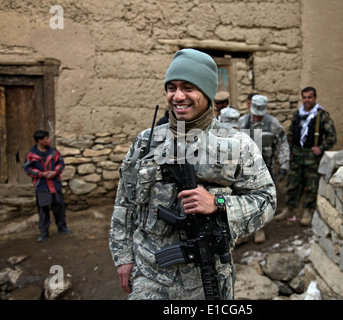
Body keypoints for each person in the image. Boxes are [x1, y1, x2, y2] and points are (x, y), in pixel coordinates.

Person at [109, 49, 276, 300]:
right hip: (150, 274)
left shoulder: (238, 144)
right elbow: (125, 202)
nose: (178, 96)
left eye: (188, 87)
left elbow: (266, 200)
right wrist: (123, 257)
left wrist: (218, 203)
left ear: (207, 93)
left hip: (207, 278)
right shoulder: (146, 142)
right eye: (171, 87)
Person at [275, 87, 337, 226]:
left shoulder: (322, 116)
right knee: (293, 184)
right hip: (297, 156)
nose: (307, 100)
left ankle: (308, 211)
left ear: (315, 98)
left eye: (309, 97)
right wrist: (288, 150)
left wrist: (320, 148)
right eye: (304, 97)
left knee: (311, 185)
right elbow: (291, 133)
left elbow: (332, 137)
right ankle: (289, 209)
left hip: (311, 158)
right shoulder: (298, 114)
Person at [23, 130, 72, 242]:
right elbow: (28, 169)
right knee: (43, 208)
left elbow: (61, 163)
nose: (49, 140)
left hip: (54, 184)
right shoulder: (32, 155)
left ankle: (62, 227)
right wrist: (41, 174)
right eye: (46, 139)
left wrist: (55, 172)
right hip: (42, 186)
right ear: (40, 141)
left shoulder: (53, 152)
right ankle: (44, 231)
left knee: (59, 207)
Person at [238, 94, 290, 183]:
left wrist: (284, 165)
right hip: (245, 171)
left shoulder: (273, 123)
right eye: (255, 114)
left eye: (260, 115)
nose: (256, 117)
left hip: (267, 169)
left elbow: (282, 143)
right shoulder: (242, 122)